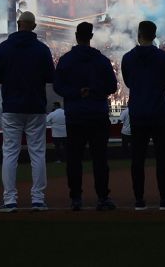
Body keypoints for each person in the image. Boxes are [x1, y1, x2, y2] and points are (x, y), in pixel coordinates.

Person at [0, 10, 55, 212]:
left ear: (18, 24)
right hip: (35, 106)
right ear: (33, 26)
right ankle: (38, 199)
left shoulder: (4, 48)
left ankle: (10, 200)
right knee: (38, 153)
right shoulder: (42, 49)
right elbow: (51, 77)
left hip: (12, 107)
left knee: (9, 153)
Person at [54, 21, 117, 211]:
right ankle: (103, 198)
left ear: (76, 36)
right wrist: (94, 91)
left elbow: (58, 86)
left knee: (74, 159)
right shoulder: (101, 60)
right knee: (100, 159)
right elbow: (112, 87)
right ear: (91, 37)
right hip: (97, 113)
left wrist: (76, 93)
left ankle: (76, 199)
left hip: (75, 116)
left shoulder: (66, 60)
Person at [121, 20, 165, 210]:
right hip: (159, 112)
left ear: (139, 34)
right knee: (162, 158)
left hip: (138, 112)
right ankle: (164, 198)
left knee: (137, 159)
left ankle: (139, 199)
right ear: (154, 36)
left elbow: (128, 82)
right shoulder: (163, 58)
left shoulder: (128, 58)